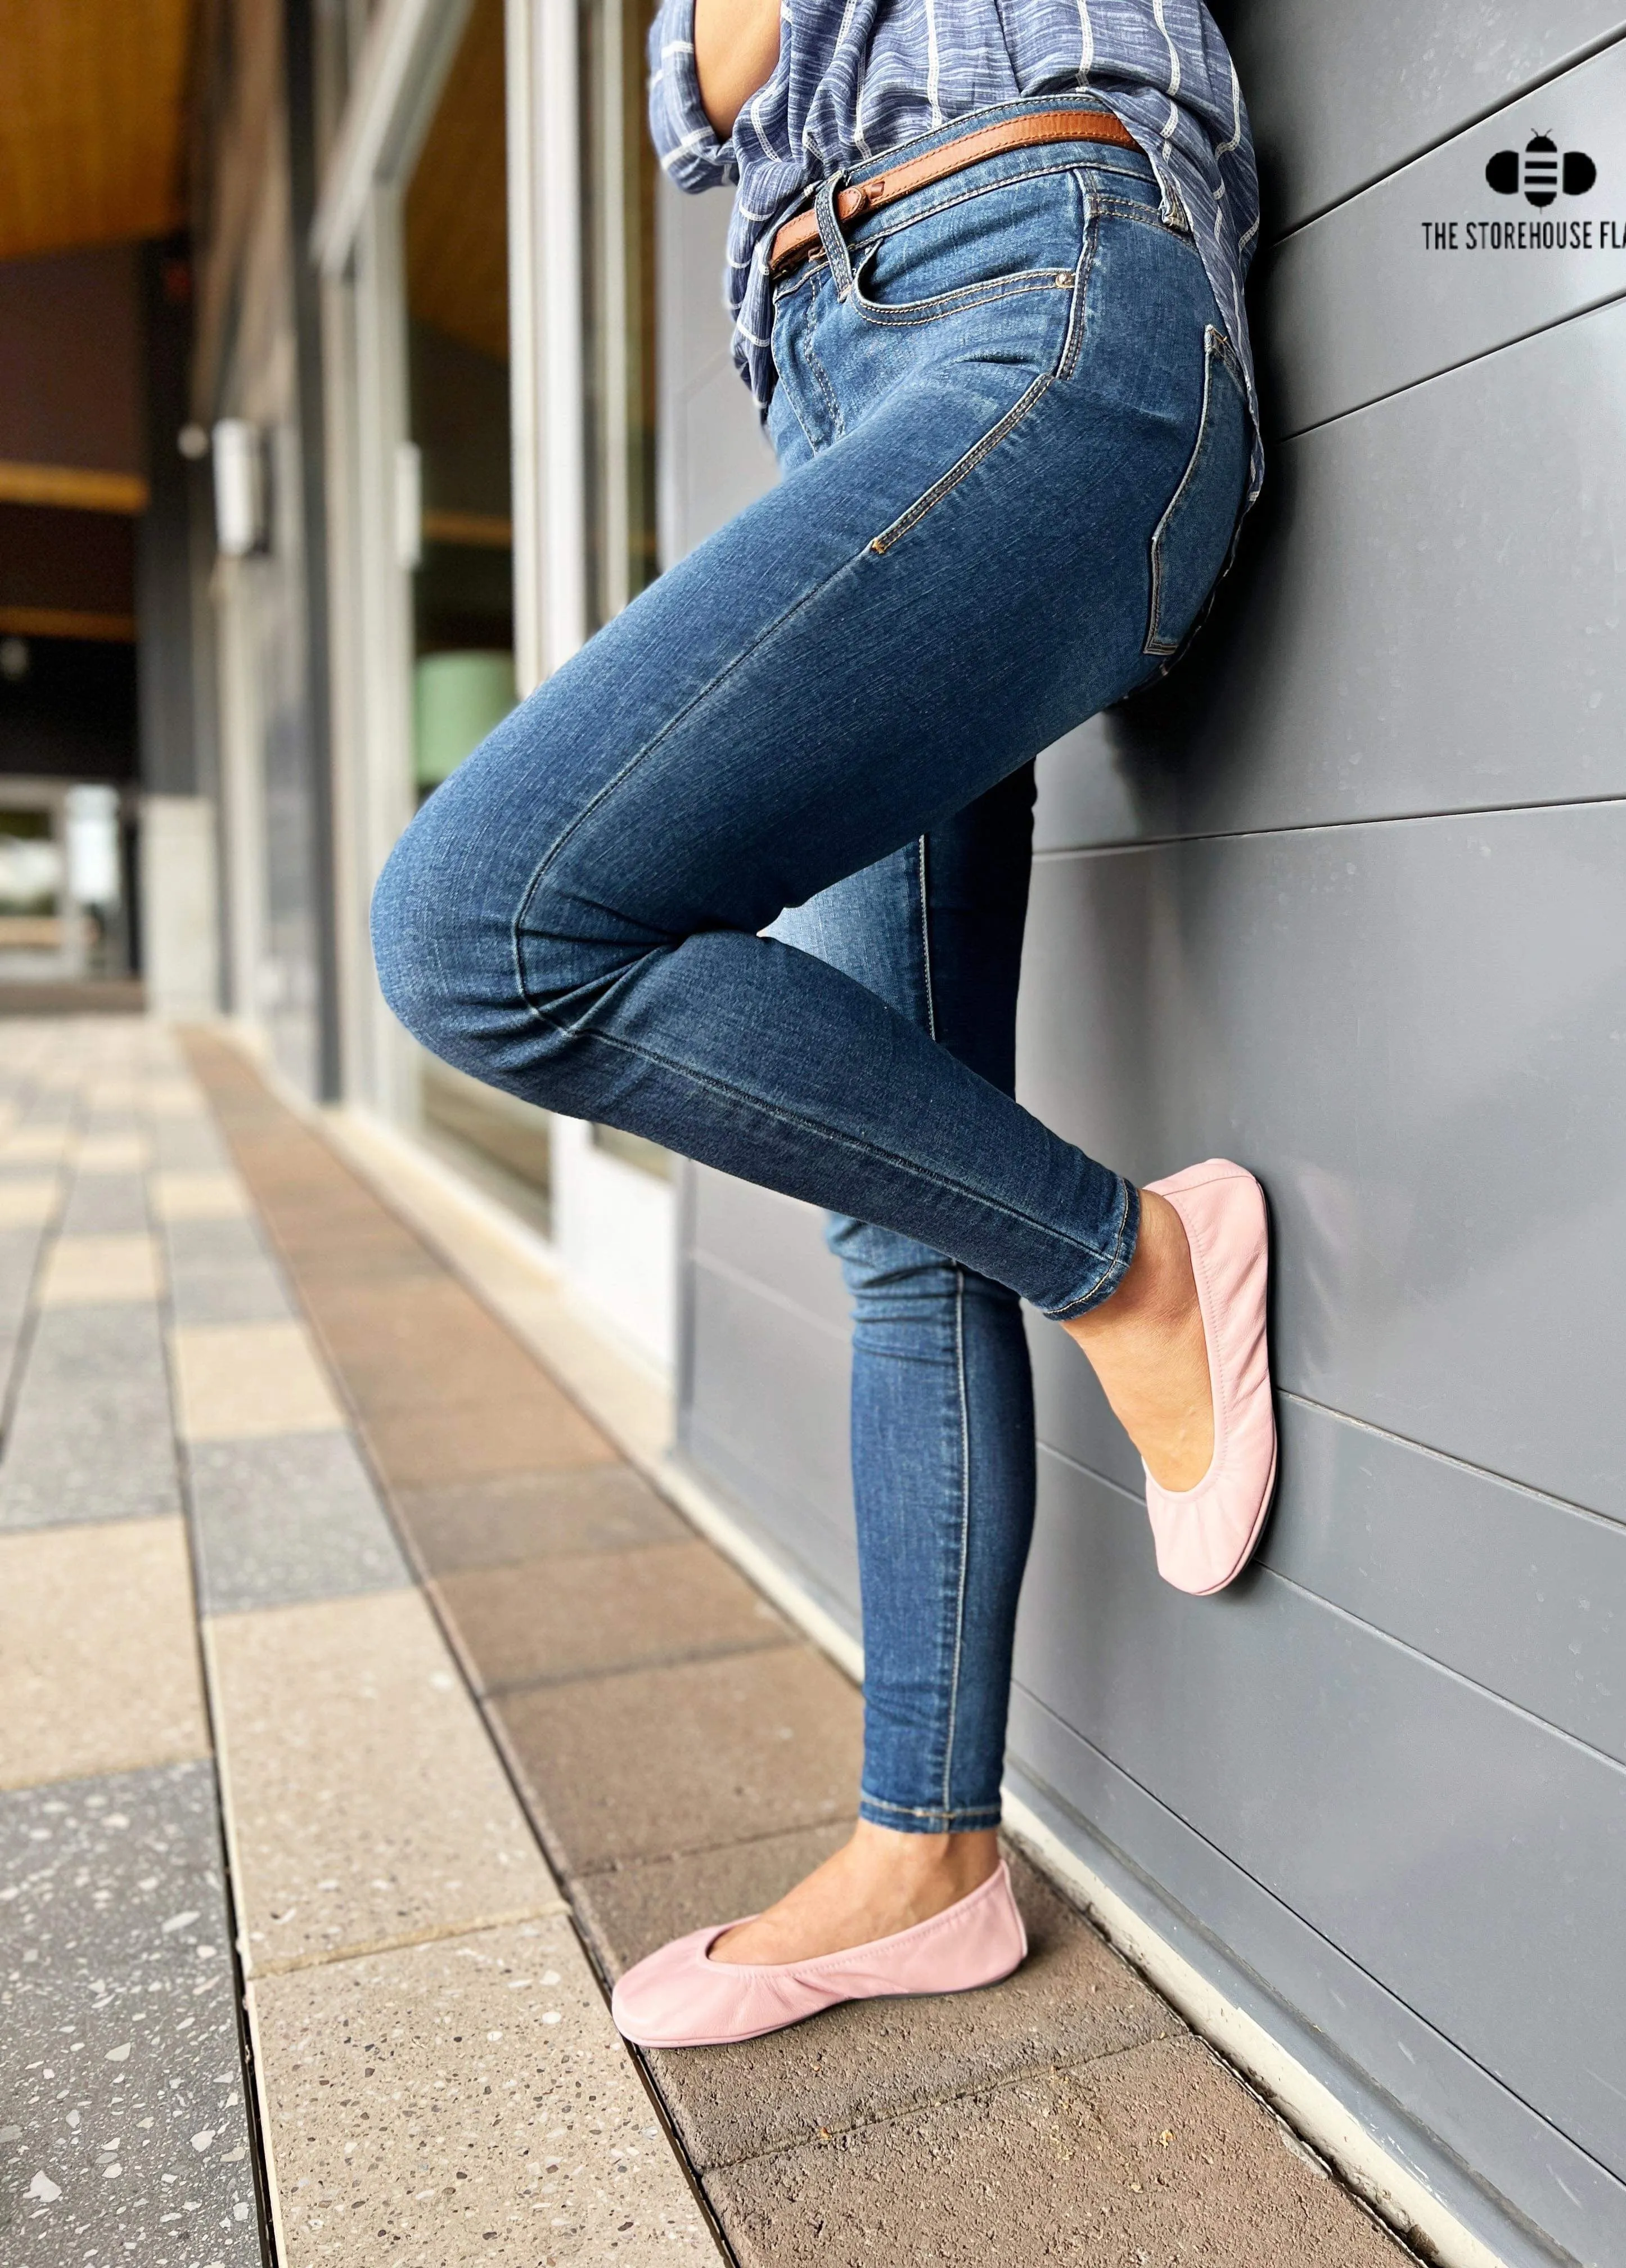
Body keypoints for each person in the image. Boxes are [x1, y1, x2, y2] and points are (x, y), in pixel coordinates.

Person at [372, 0, 1271, 2049]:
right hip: (851, 383)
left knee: (484, 928)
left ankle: (1131, 1261)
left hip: (1045, 293)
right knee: (899, 1200)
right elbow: (725, 105)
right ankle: (929, 1859)